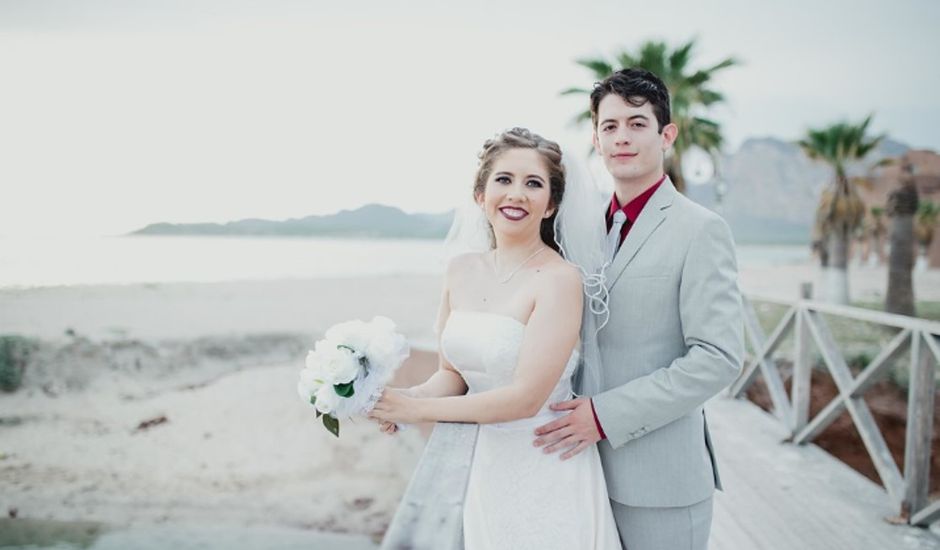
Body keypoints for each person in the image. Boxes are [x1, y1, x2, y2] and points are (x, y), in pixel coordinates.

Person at [371, 127, 621, 549]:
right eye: (504, 180)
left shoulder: (560, 280)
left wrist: (418, 408)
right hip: (483, 463)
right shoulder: (460, 269)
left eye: (534, 183)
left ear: (551, 205)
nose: (516, 194)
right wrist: (400, 397)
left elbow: (525, 398)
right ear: (480, 195)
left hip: (544, 464)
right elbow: (452, 374)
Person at [531, 68, 744, 550]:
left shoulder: (701, 230)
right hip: (573, 470)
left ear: (666, 134)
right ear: (595, 138)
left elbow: (718, 357)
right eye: (609, 126)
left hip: (659, 480)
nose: (621, 137)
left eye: (636, 123)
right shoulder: (575, 230)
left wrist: (604, 417)